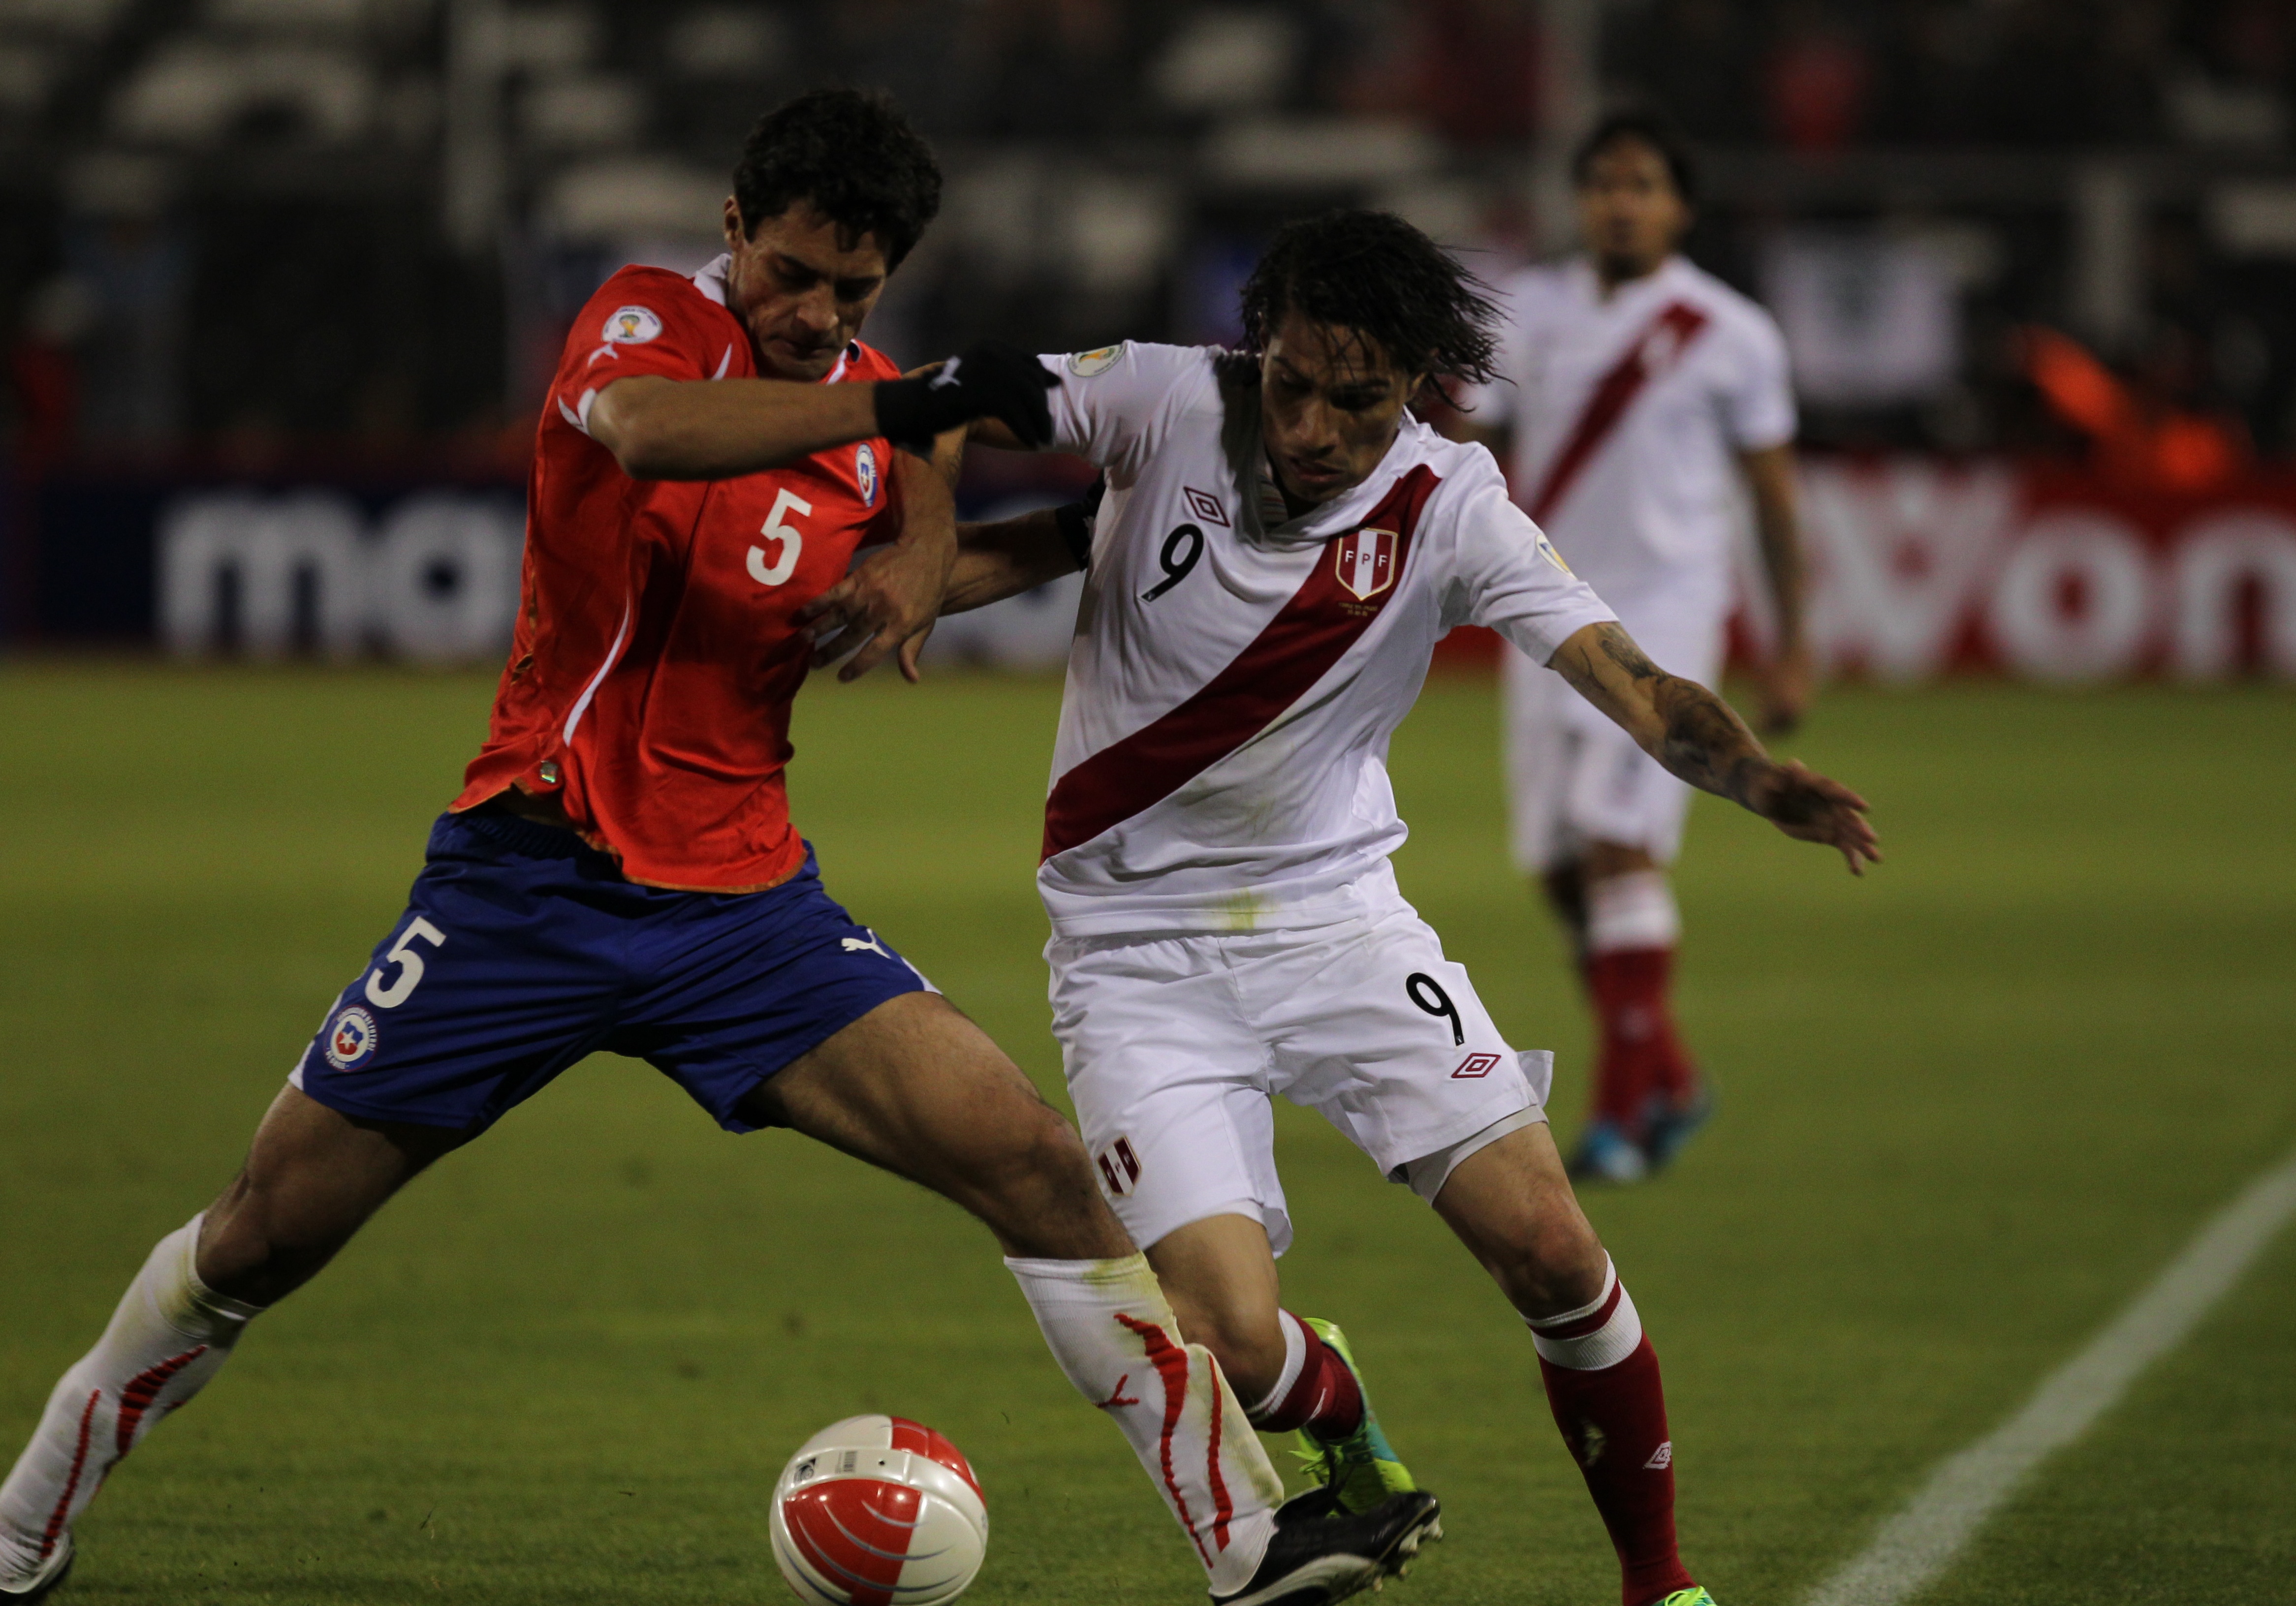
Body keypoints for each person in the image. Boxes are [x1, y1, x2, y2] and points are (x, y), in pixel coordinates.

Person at [0, 92, 1426, 1606]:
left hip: (747, 910)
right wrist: (911, 409)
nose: (815, 315)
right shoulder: (648, 327)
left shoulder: (886, 413)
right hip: (527, 884)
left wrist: (1022, 540)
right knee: (259, 1238)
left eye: (855, 293)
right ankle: (25, 1521)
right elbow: (651, 435)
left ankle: (1251, 1541)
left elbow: (920, 509)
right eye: (792, 274)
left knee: (1036, 1166)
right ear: (735, 230)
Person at [926, 208, 1877, 1606]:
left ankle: (1661, 1584)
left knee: (1555, 1252)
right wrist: (914, 549)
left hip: (1342, 928)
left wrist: (1749, 776)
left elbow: (1633, 681)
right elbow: (955, 390)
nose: (1311, 426)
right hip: (1135, 964)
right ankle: (1332, 1404)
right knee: (1235, 1350)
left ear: (1423, 384)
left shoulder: (1453, 508)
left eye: (1357, 401)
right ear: (1260, 353)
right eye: (1292, 383)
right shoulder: (1168, 397)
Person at [1457, 110, 1815, 1183]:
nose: (1621, 202)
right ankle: (1673, 1073)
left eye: (1643, 185)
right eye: (1604, 184)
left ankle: (1616, 1124)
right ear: (1580, 200)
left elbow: (1773, 500)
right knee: (1560, 872)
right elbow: (1472, 442)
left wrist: (1790, 643)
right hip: (1551, 611)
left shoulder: (1731, 332)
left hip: (1664, 620)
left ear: (1681, 207)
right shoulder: (1532, 309)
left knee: (1617, 844)